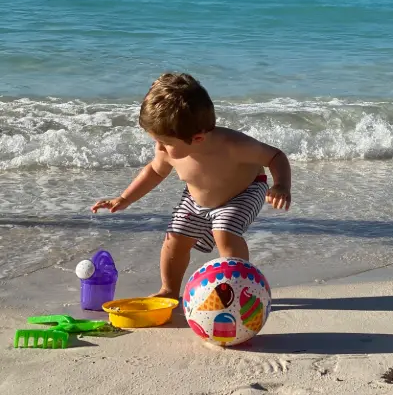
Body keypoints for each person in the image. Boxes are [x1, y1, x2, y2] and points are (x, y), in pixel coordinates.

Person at [91, 73, 291, 298]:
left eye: (164, 142)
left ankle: (239, 287)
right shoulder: (168, 150)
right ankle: (169, 290)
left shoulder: (234, 145)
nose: (159, 147)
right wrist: (125, 198)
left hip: (244, 191)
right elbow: (155, 171)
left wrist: (281, 185)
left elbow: (275, 156)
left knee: (223, 232)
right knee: (174, 238)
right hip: (196, 198)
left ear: (197, 138)